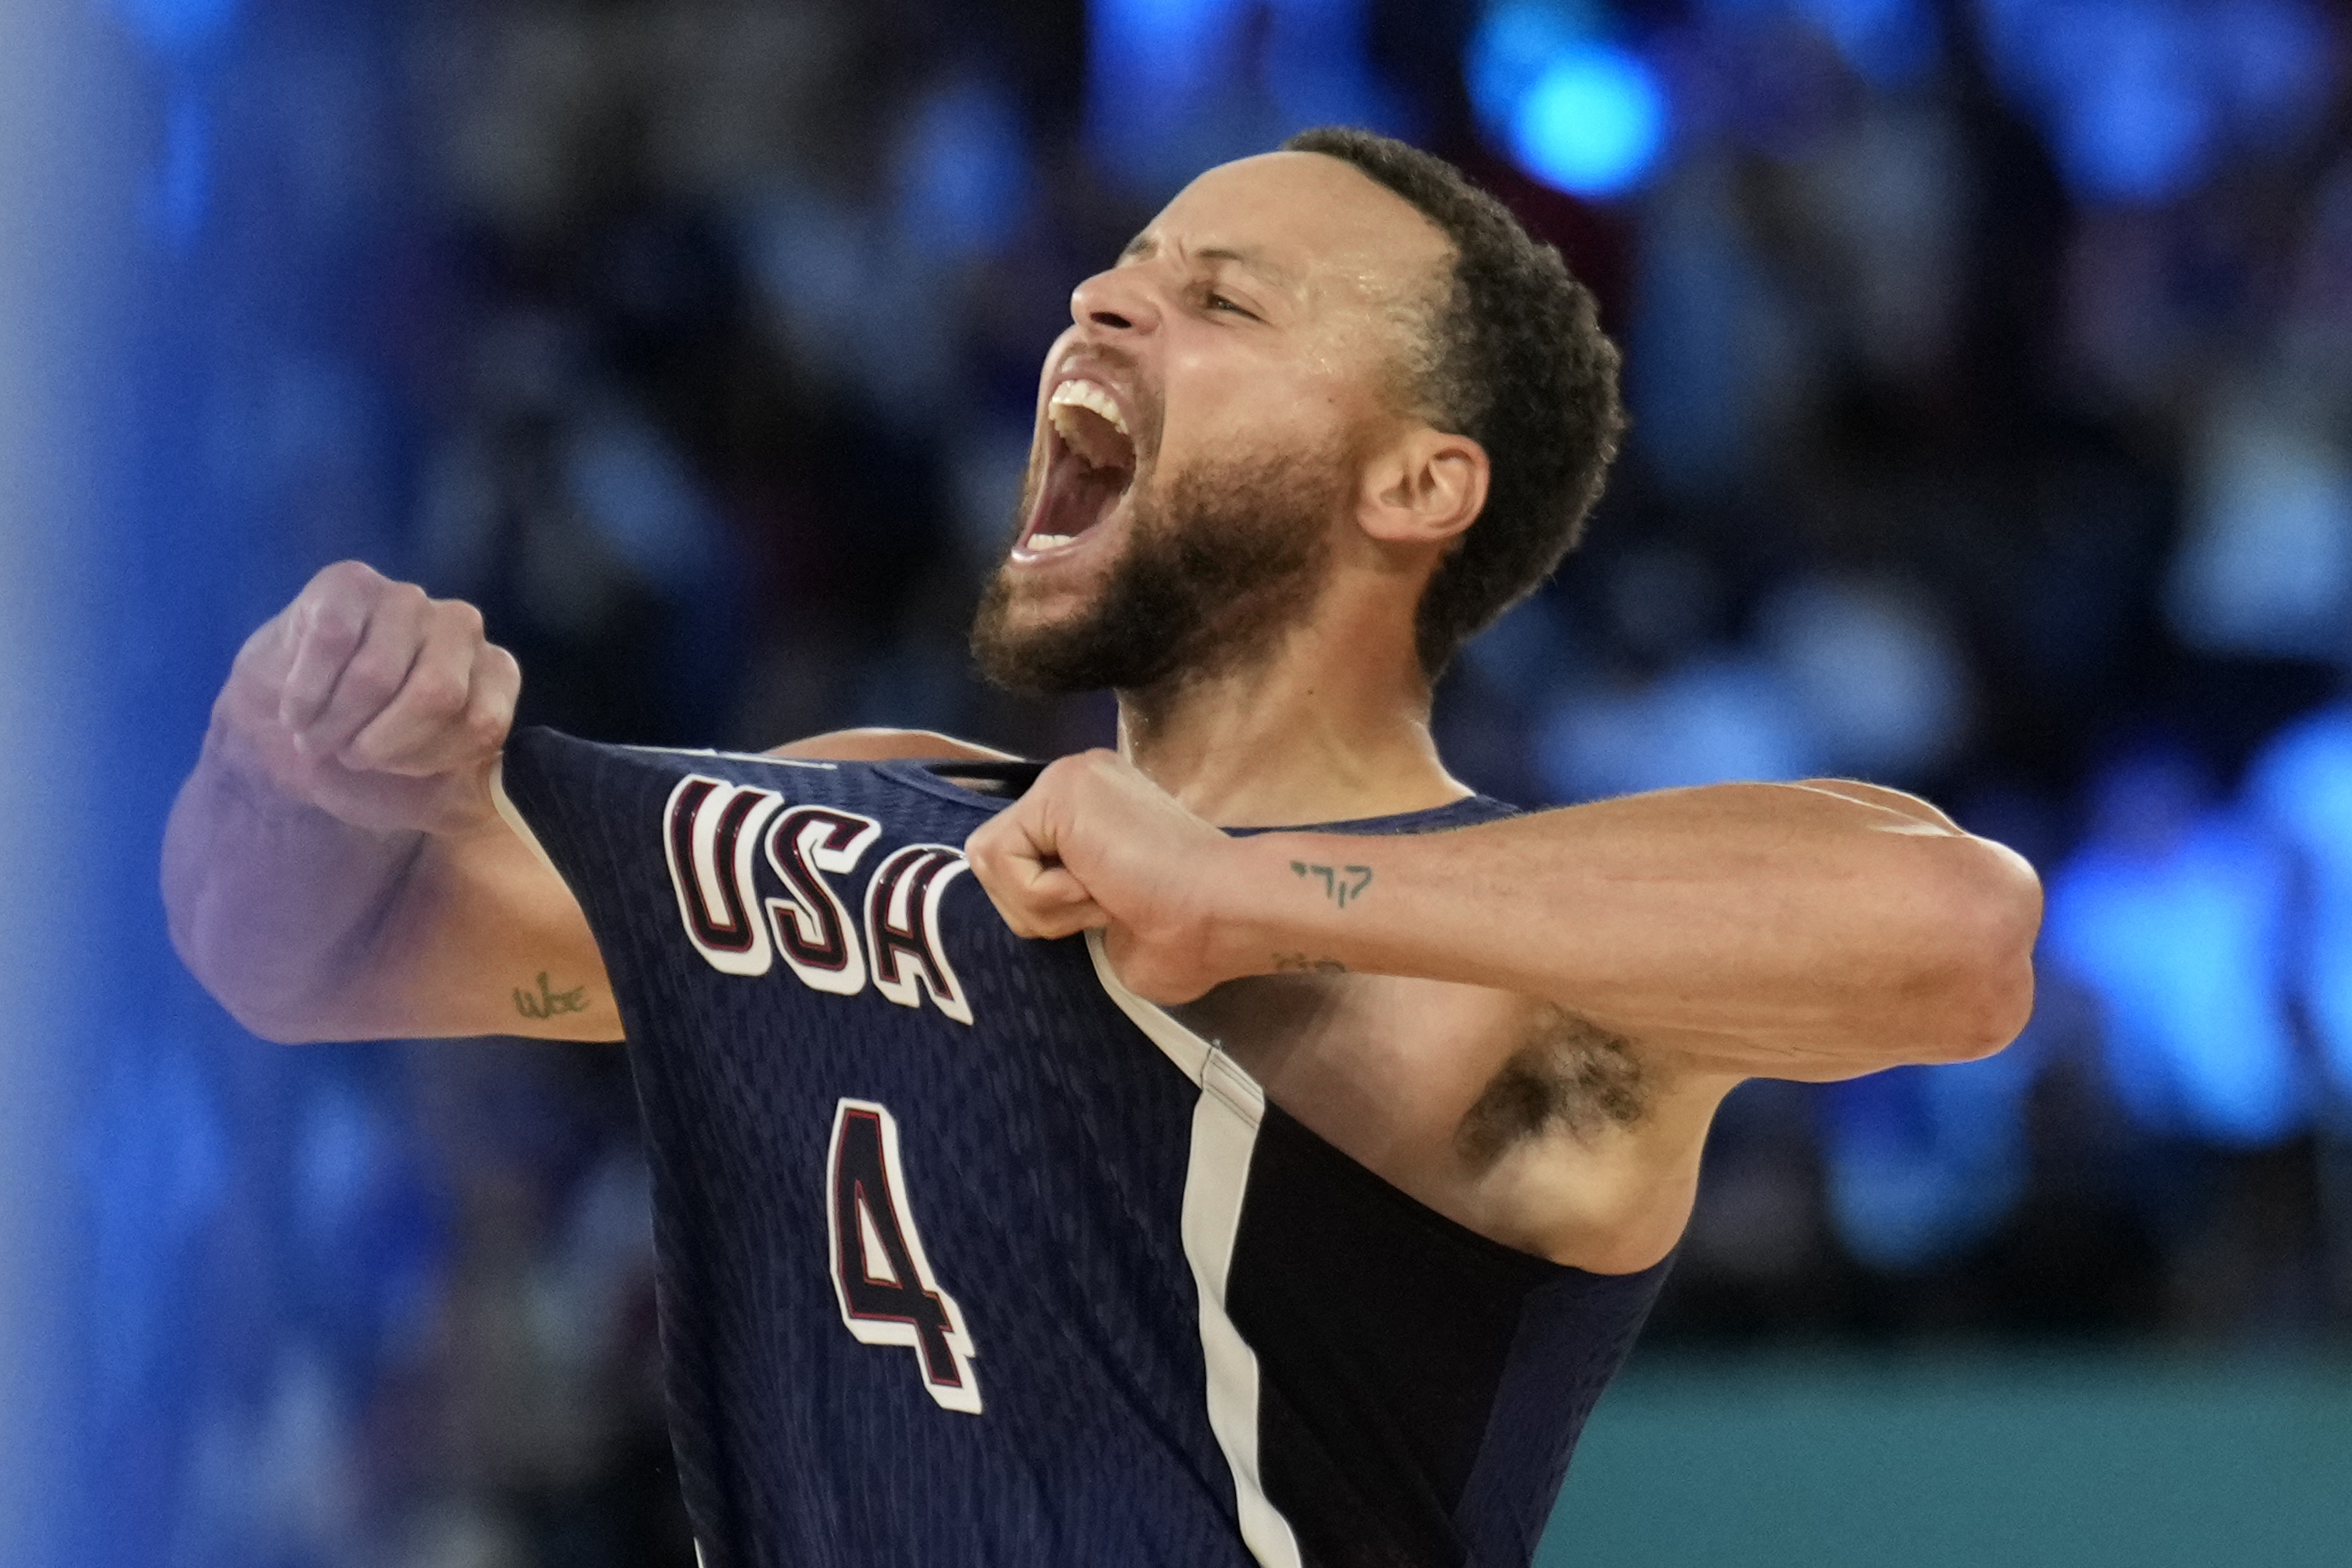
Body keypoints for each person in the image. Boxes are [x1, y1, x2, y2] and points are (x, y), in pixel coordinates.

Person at [162, 128, 2042, 1568]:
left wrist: (1253, 896)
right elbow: (291, 956)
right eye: (1121, 271)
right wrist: (287, 763)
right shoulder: (874, 820)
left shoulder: (1489, 982)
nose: (1103, 302)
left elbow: (1953, 931)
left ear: (1417, 483)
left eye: (1225, 303)